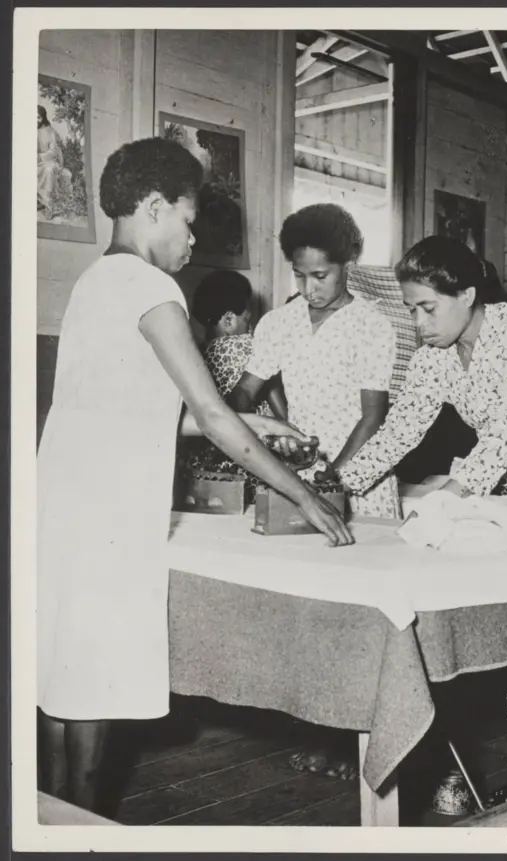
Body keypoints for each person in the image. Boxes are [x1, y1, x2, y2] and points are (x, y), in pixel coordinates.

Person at [37, 138, 352, 813]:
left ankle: (56, 820)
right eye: (187, 219)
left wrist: (256, 422)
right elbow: (210, 413)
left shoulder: (95, 282)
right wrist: (302, 494)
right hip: (111, 514)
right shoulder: (153, 288)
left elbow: (137, 409)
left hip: (64, 504)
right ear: (154, 208)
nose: (193, 236)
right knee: (96, 683)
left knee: (66, 676)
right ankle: (83, 828)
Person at [337, 234, 507, 789]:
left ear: (467, 293)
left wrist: (451, 498)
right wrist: (336, 484)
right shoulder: (434, 357)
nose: (419, 324)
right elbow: (400, 429)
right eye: (411, 309)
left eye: (427, 308)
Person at [229, 203, 401, 521]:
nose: (309, 289)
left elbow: (373, 416)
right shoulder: (278, 322)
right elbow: (244, 392)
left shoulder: (372, 326)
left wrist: (332, 475)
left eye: (320, 276)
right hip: (299, 472)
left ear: (348, 263)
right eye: (299, 275)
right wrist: (258, 431)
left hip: (357, 473)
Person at [179, 269, 287, 505]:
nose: (250, 328)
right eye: (247, 320)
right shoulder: (248, 347)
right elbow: (279, 403)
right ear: (229, 321)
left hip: (205, 469)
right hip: (251, 459)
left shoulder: (196, 353)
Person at [37, 105, 66, 219]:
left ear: (43, 118)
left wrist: (40, 157)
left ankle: (48, 204)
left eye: (38, 117)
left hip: (48, 161)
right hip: (34, 162)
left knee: (49, 170)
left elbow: (53, 151)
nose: (36, 120)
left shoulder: (50, 131)